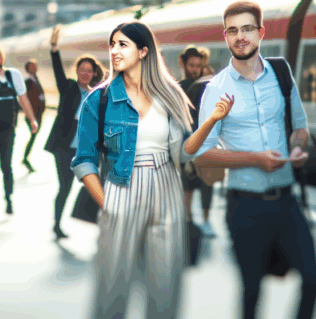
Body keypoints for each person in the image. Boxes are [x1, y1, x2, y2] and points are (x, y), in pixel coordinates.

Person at [71, 22, 230, 319]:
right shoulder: (100, 99)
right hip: (121, 188)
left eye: (123, 45)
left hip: (166, 189)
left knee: (164, 291)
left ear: (144, 52)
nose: (115, 51)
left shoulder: (170, 96)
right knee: (112, 290)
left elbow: (182, 152)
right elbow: (83, 160)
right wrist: (107, 203)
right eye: (113, 44)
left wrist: (210, 124)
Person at [193, 0, 316, 319]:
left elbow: (300, 127)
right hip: (245, 207)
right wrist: (255, 159)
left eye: (247, 29)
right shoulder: (216, 90)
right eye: (233, 30)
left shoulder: (280, 72)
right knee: (252, 292)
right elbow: (202, 154)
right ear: (226, 37)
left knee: (313, 280)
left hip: (287, 203)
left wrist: (298, 147)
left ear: (260, 33)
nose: (240, 37)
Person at [42, 25, 105, 239]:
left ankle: (95, 220)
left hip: (86, 150)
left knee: (94, 185)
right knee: (65, 186)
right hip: (65, 147)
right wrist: (53, 48)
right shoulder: (68, 87)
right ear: (77, 72)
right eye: (82, 70)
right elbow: (57, 69)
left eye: (89, 70)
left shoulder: (97, 94)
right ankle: (57, 224)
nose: (85, 73)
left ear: (94, 73)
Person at [0, 45, 40, 220]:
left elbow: (23, 98)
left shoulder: (14, 75)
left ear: (3, 57)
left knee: (6, 166)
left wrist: (32, 119)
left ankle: (8, 200)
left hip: (7, 129)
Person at [178, 45, 217, 237]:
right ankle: (188, 219)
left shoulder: (208, 86)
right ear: (184, 64)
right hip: (187, 143)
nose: (195, 69)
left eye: (198, 66)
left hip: (207, 142)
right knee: (188, 185)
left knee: (207, 183)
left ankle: (207, 221)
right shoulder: (178, 88)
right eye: (191, 65)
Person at [21, 59, 46, 174]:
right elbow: (25, 99)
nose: (35, 68)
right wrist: (31, 115)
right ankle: (25, 158)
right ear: (28, 68)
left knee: (33, 136)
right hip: (33, 116)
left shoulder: (36, 79)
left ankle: (25, 158)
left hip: (38, 114)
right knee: (33, 136)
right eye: (32, 66)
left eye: (35, 65)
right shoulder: (27, 82)